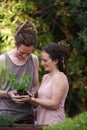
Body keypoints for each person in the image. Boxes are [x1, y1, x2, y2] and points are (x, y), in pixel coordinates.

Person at [13, 40, 70, 125]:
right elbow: (41, 102)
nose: (42, 63)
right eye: (41, 60)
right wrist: (28, 98)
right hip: (41, 122)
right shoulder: (45, 77)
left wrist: (32, 99)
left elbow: (54, 104)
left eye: (45, 60)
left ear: (55, 61)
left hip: (54, 124)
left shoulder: (60, 78)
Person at [0, 21, 39, 124]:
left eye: (28, 53)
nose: (25, 56)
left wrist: (31, 95)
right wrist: (9, 94)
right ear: (15, 44)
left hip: (27, 115)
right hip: (6, 116)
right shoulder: (3, 60)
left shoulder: (34, 59)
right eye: (22, 52)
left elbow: (35, 85)